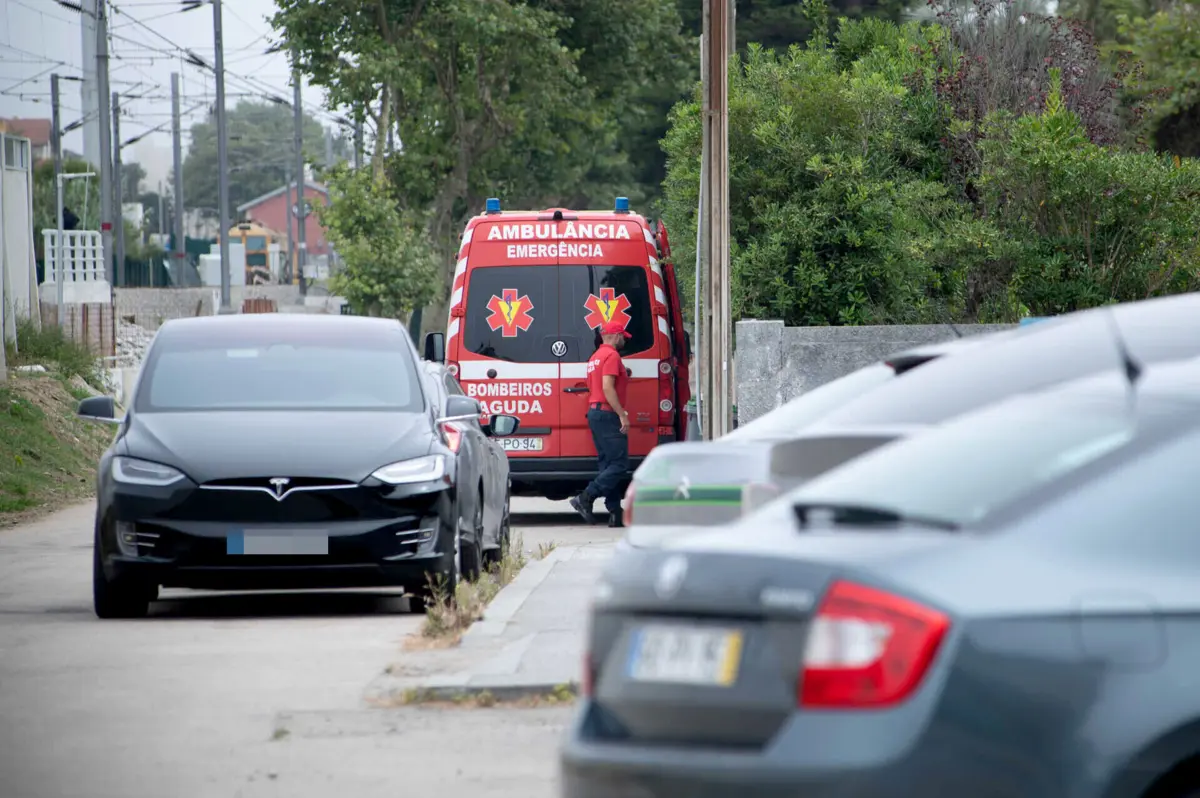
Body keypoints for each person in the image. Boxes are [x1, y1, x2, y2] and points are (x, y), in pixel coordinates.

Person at [570, 320, 632, 527]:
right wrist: (622, 413)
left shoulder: (595, 357)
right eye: (622, 336)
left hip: (595, 413)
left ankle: (615, 511)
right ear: (614, 336)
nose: (624, 339)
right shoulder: (612, 356)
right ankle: (586, 497)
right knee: (620, 464)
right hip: (607, 414)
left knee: (608, 464)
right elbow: (607, 387)